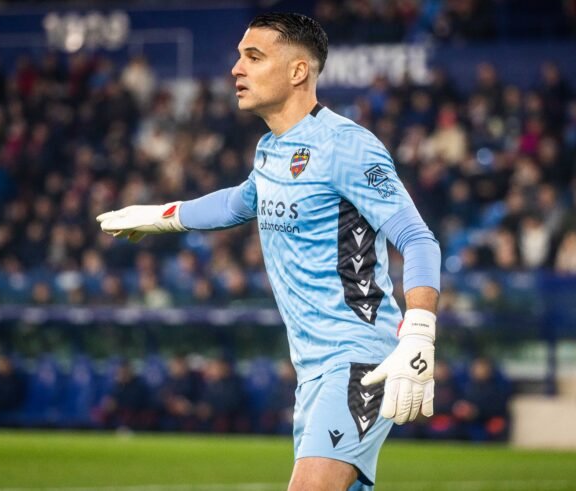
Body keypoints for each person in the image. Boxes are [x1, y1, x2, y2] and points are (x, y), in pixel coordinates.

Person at [97, 13, 441, 491]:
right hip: (312, 370)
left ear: (298, 71)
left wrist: (419, 332)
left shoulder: (346, 146)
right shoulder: (272, 149)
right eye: (240, 56)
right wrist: (162, 215)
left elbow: (418, 239)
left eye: (253, 57)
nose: (236, 68)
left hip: (358, 358)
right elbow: (240, 202)